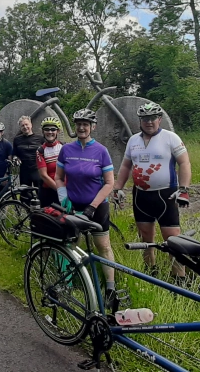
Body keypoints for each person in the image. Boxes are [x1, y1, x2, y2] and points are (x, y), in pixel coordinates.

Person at [113, 102, 192, 284]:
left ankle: (179, 279)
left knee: (173, 239)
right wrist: (117, 188)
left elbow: (185, 163)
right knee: (146, 237)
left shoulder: (170, 138)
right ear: (140, 120)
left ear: (159, 119)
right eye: (145, 119)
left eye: (152, 118)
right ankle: (151, 274)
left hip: (166, 195)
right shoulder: (133, 140)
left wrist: (184, 189)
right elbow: (126, 166)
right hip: (141, 195)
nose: (149, 122)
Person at [55, 108, 120, 311]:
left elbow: (110, 183)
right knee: (72, 246)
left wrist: (93, 206)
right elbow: (58, 177)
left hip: (97, 207)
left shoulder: (101, 151)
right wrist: (64, 197)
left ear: (93, 127)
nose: (82, 127)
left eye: (86, 124)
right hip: (73, 207)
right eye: (79, 124)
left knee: (103, 246)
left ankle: (110, 289)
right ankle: (71, 283)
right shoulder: (67, 150)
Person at [12, 116, 44, 201]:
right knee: (25, 194)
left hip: (37, 169)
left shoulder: (40, 138)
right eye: (22, 125)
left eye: (26, 124)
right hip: (24, 171)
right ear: (20, 127)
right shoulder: (17, 139)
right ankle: (26, 212)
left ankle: (42, 212)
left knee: (41, 193)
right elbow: (14, 154)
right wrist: (15, 158)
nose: (25, 127)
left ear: (31, 124)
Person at [36, 116, 64, 208]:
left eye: (53, 129)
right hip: (48, 191)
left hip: (65, 188)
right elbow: (43, 175)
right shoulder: (40, 150)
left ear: (58, 131)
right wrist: (60, 190)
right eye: (47, 129)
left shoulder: (64, 147)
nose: (50, 132)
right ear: (43, 131)